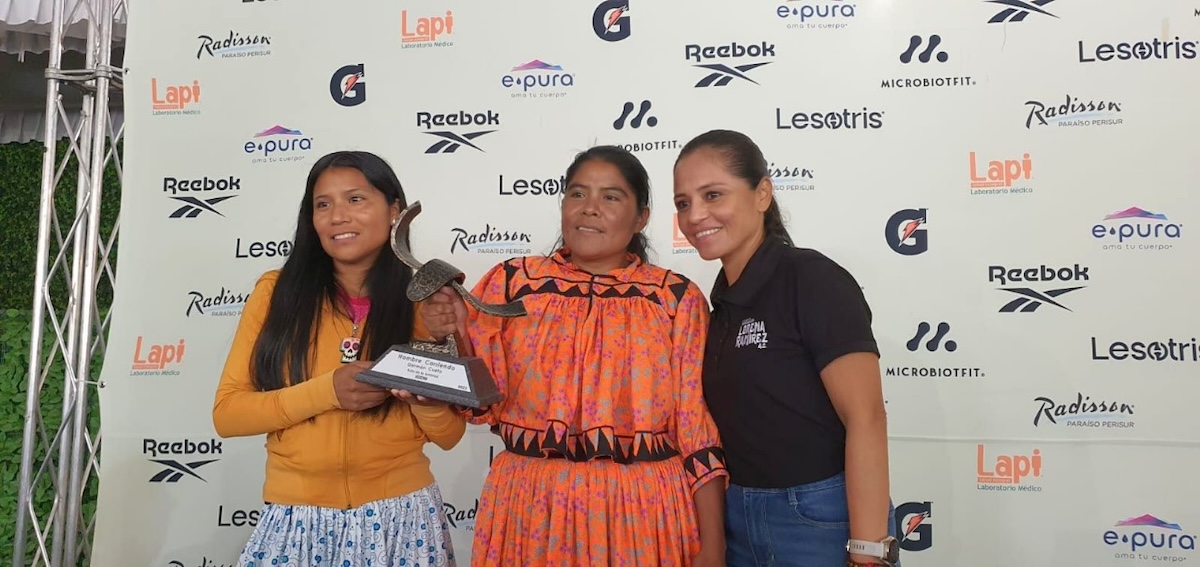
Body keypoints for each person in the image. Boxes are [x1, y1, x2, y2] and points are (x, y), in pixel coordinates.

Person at [420, 145, 728, 566]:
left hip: (640, 515)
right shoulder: (513, 284)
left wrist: (713, 545)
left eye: (611, 197)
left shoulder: (675, 299)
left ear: (642, 217)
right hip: (529, 511)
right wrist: (453, 332)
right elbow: (479, 406)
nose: (590, 209)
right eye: (577, 194)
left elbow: (696, 426)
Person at [212, 150, 465, 567]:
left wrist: (427, 399)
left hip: (403, 518)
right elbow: (228, 414)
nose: (338, 216)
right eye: (323, 204)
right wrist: (328, 391)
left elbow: (450, 435)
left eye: (356, 199)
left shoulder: (427, 303)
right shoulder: (275, 293)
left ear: (395, 212)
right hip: (296, 518)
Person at [672, 130, 900, 567]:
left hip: (820, 517)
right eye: (683, 203)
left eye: (713, 194)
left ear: (762, 194)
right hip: (740, 517)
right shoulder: (717, 305)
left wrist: (869, 553)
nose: (696, 215)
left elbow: (867, 417)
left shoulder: (811, 279)